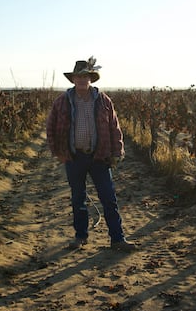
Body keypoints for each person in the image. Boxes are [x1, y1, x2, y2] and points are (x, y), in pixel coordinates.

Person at [46, 57, 137, 251]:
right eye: (78, 77)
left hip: (99, 157)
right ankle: (80, 236)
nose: (81, 80)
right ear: (73, 80)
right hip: (74, 157)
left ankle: (118, 239)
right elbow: (50, 128)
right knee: (78, 199)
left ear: (91, 79)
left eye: (85, 76)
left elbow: (114, 127)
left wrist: (116, 151)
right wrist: (58, 153)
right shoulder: (61, 102)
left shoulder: (103, 100)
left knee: (108, 198)